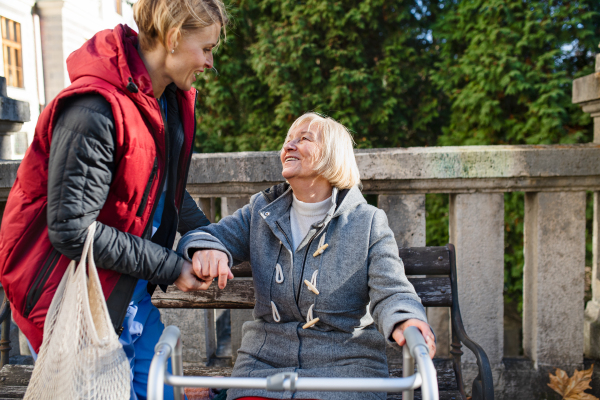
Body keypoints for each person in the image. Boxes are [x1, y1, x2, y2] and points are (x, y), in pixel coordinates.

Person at [0, 0, 229, 398]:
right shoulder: (94, 109)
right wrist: (172, 266)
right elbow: (72, 231)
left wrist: (213, 239)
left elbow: (159, 191)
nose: (210, 63)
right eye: (206, 48)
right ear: (173, 38)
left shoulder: (162, 99)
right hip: (71, 298)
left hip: (127, 290)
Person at [177, 113, 436, 400]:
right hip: (264, 367)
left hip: (344, 368)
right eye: (288, 140)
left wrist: (407, 321)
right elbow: (205, 236)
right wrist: (209, 249)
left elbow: (392, 291)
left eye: (303, 139)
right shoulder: (261, 211)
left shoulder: (367, 222)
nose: (288, 146)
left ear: (332, 155)